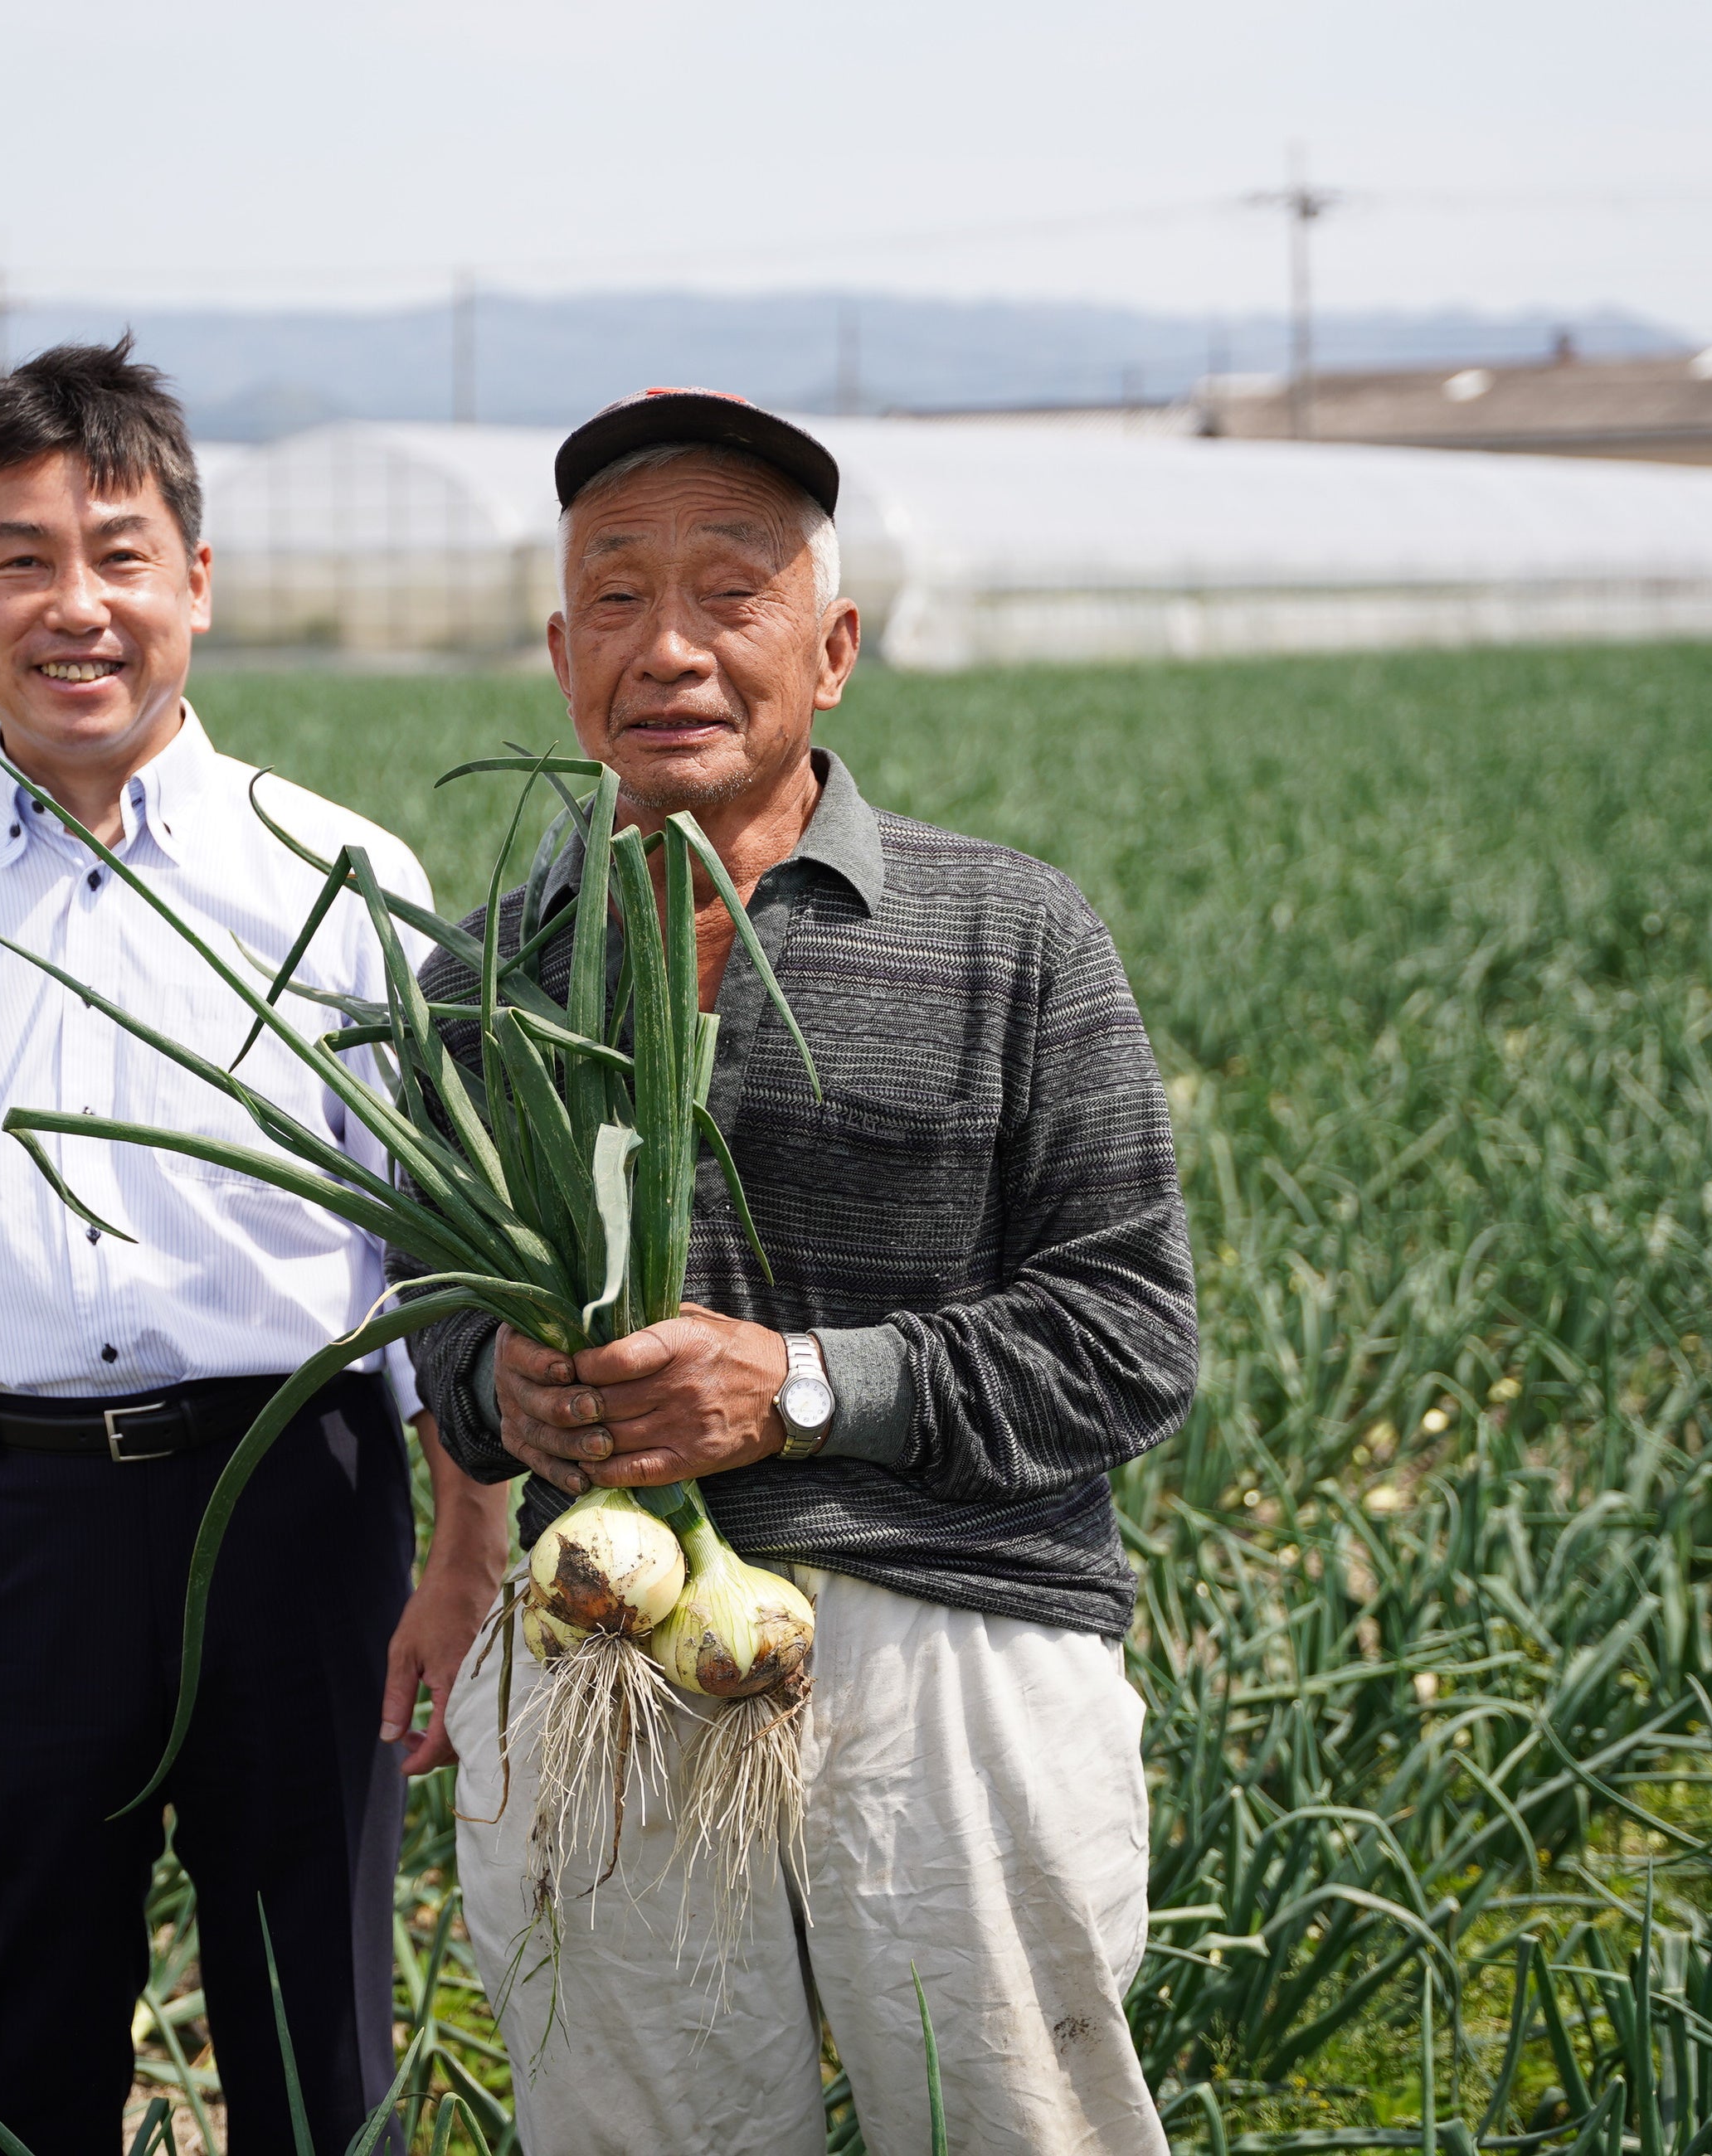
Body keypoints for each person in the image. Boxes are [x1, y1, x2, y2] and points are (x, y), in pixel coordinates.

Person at [0, 337, 513, 2154]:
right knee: (26, 2047)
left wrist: (466, 1553)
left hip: (298, 1507)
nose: (74, 605)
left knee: (317, 2047)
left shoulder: (346, 884)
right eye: (19, 560)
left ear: (197, 583)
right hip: (4, 1531)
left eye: (119, 553)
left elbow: (442, 1256)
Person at [411, 390, 1196, 2153]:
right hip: (608, 1635)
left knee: (1014, 2121)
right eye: (617, 596)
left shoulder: (1011, 933)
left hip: (950, 1629)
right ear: (561, 656)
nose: (669, 647)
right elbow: (436, 1333)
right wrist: (506, 1386)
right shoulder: (481, 979)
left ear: (832, 651)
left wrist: (800, 1387)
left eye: (731, 591)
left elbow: (1132, 1335)